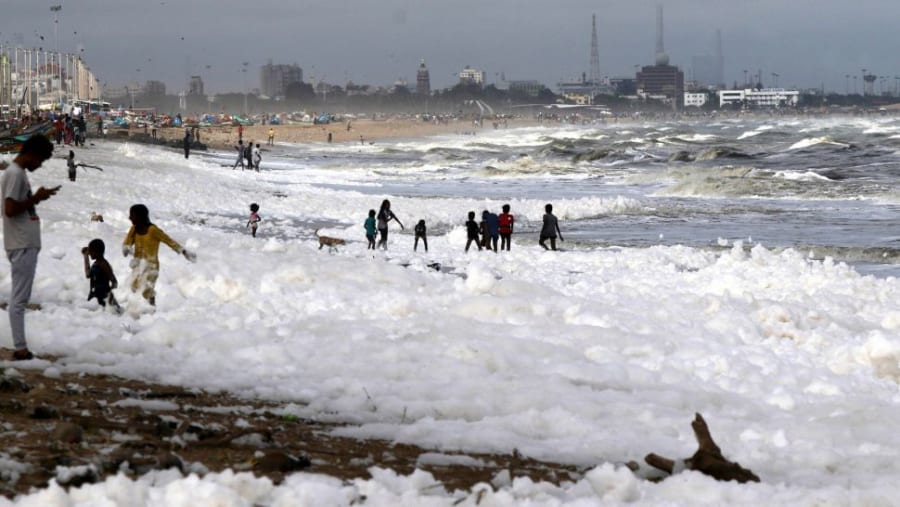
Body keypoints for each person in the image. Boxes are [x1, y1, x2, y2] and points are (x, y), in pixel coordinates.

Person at [2, 135, 60, 360]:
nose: (40, 165)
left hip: (23, 242)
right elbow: (10, 209)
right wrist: (36, 198)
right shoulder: (15, 174)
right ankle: (20, 348)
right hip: (21, 243)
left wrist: (37, 198)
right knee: (19, 299)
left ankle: (20, 346)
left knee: (20, 298)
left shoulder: (17, 173)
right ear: (32, 154)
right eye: (41, 160)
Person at [122, 204, 196, 306]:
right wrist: (126, 249)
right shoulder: (134, 229)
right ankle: (141, 311)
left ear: (141, 216)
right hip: (138, 265)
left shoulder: (153, 230)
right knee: (134, 287)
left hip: (151, 267)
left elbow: (168, 240)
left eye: (132, 215)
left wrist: (183, 251)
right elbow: (127, 244)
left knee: (147, 291)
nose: (129, 218)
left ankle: (152, 309)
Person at [82, 238, 121, 311]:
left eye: (91, 251)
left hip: (103, 297)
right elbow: (88, 274)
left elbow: (114, 281)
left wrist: (110, 296)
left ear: (97, 252)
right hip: (95, 296)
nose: (89, 253)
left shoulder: (104, 264)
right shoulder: (97, 263)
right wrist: (86, 257)